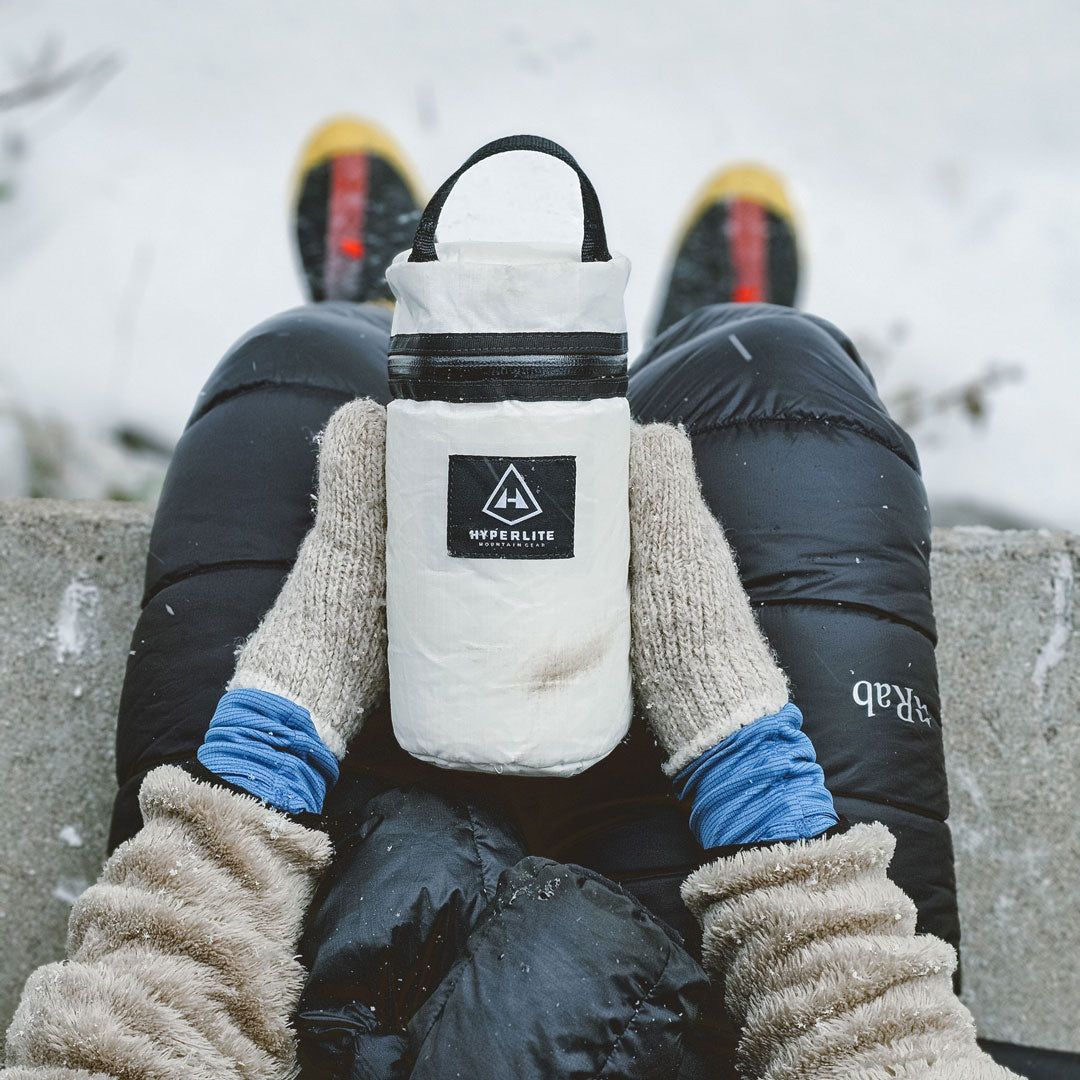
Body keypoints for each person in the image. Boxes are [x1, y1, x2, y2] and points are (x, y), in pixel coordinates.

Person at [2, 120, 1018, 1079]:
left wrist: (269, 751)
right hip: (702, 1016)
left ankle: (384, 318)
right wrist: (764, 804)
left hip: (331, 967)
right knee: (776, 378)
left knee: (291, 375)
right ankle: (680, 343)